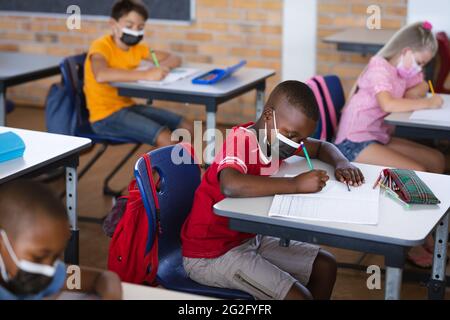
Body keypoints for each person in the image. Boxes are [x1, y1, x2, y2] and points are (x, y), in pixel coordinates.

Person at [181, 80, 366, 300]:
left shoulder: (278, 139)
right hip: (212, 254)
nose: (297, 144)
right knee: (300, 297)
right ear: (268, 115)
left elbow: (323, 147)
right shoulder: (241, 141)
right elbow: (230, 185)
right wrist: (296, 185)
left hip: (249, 239)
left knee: (325, 266)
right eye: (292, 135)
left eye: (302, 138)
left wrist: (342, 162)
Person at [334, 21, 446, 268]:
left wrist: (415, 81)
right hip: (353, 142)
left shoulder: (401, 70)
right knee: (421, 172)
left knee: (437, 160)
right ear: (405, 51)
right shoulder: (379, 68)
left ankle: (426, 229)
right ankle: (410, 242)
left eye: (424, 65)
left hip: (378, 136)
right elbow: (389, 105)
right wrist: (427, 103)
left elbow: (416, 90)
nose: (421, 68)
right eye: (419, 61)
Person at [84, 0, 193, 148]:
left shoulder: (138, 49)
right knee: (167, 140)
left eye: (140, 27)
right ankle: (154, 171)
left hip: (128, 106)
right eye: (129, 26)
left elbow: (174, 58)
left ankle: (177, 169)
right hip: (105, 116)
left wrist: (161, 68)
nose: (135, 31)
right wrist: (147, 74)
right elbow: (101, 75)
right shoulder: (101, 46)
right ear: (113, 24)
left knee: (187, 128)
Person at [0, 179, 122, 300]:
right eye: (38, 257)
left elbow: (102, 278)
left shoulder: (48, 274)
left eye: (55, 258)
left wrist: (111, 296)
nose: (49, 270)